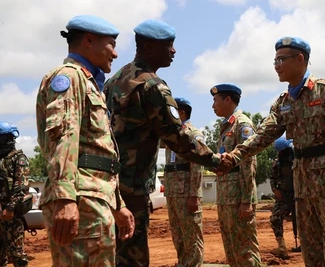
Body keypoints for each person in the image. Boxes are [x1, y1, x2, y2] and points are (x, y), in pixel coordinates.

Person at [219, 37, 325, 267]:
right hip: (302, 189)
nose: (276, 65)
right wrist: (234, 156)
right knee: (312, 253)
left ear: (300, 59)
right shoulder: (283, 102)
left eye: (281, 59)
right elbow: (263, 135)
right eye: (275, 60)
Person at [103, 19, 220, 266]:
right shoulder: (152, 86)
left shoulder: (114, 80)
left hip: (110, 185)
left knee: (114, 253)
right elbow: (177, 138)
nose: (174, 51)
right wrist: (215, 160)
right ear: (148, 47)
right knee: (133, 255)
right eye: (169, 45)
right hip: (133, 186)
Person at [36, 15, 135, 267]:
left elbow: (98, 154)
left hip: (93, 196)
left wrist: (117, 204)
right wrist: (65, 198)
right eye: (111, 44)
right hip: (81, 198)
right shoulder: (70, 78)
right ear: (89, 40)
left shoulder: (91, 83)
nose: (115, 53)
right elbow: (63, 139)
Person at [210, 84, 262, 267]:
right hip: (227, 197)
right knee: (231, 248)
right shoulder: (226, 125)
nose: (212, 105)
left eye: (215, 100)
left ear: (228, 100)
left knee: (245, 248)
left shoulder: (243, 124)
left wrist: (247, 200)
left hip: (239, 197)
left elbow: (248, 164)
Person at [164, 97, 204, 267]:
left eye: (171, 112)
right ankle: (183, 263)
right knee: (178, 234)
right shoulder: (173, 135)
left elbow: (197, 166)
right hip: (173, 192)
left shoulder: (193, 134)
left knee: (191, 235)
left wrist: (194, 194)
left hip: (187, 192)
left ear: (181, 113)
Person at [0, 122, 29, 267]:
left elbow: (21, 187)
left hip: (11, 215)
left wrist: (10, 208)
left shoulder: (19, 158)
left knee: (17, 256)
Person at [269, 137, 295, 258]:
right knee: (275, 218)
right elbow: (272, 178)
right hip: (284, 196)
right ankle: (281, 247)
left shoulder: (298, 160)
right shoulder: (277, 163)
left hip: (300, 196)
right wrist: (275, 190)